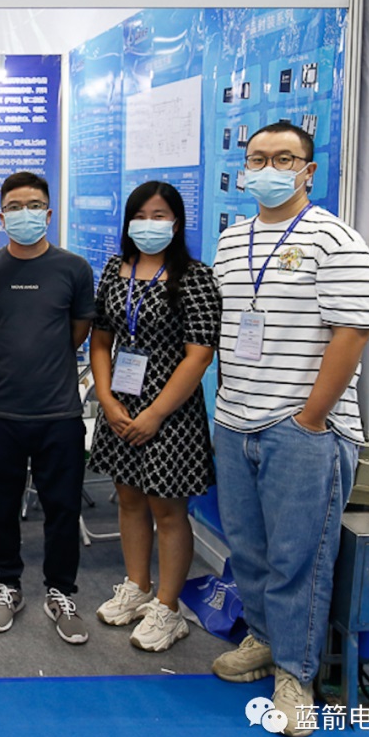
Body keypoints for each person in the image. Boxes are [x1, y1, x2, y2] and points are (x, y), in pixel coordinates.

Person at [212, 122, 369, 737]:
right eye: (257, 158)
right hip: (236, 421)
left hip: (302, 429)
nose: (268, 169)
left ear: (308, 170)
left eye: (283, 159)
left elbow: (353, 333)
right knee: (250, 550)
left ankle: (295, 676)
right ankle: (263, 639)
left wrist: (311, 418)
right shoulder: (231, 241)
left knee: (299, 559)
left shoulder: (334, 239)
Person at [88, 181, 220, 652]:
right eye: (141, 215)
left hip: (171, 411)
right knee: (127, 498)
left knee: (167, 508)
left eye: (159, 215)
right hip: (120, 403)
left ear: (177, 222)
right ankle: (138, 586)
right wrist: (106, 399)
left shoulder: (195, 278)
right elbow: (100, 339)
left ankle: (168, 608)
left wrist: (156, 414)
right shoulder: (114, 270)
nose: (149, 224)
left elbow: (199, 355)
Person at [0, 171, 96, 644]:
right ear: (1, 215)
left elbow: (77, 332)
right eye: (14, 206)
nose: (23, 214)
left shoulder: (74, 269)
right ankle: (7, 584)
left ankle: (60, 591)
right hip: (0, 411)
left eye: (33, 206)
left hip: (59, 413)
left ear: (48, 213)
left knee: (62, 508)